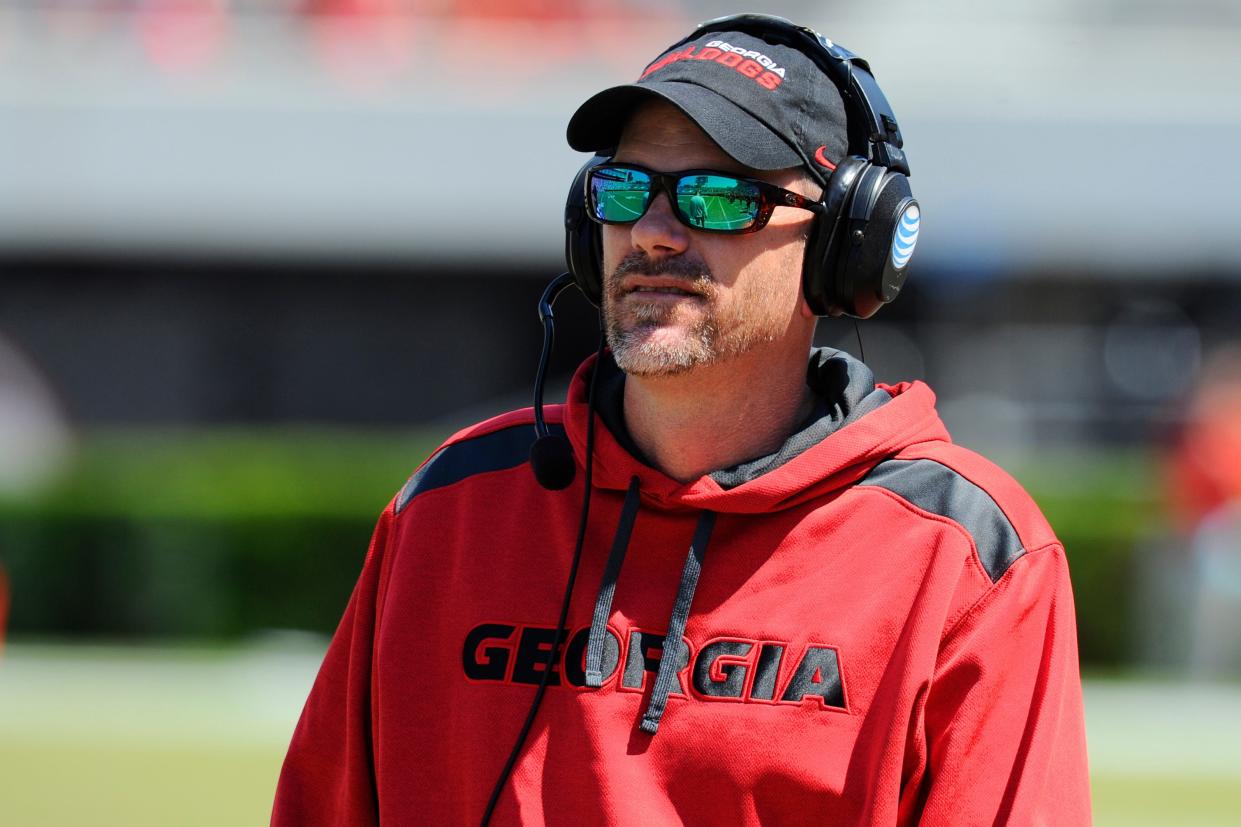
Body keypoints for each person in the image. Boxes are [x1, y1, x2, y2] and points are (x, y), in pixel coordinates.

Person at [272, 15, 1091, 825]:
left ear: (848, 242)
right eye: (626, 189)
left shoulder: (964, 554)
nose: (654, 233)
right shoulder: (450, 507)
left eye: (719, 196)